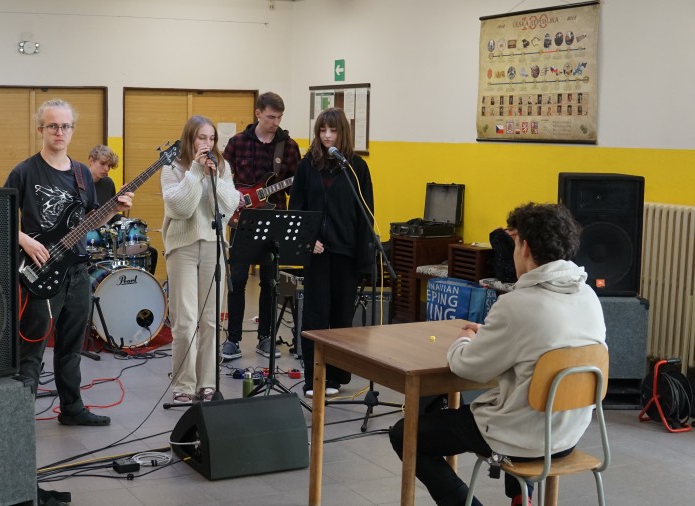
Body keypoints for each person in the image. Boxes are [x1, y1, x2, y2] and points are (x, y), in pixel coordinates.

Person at [389, 203, 607, 506]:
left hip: (522, 439)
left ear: (525, 247)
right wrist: (495, 334)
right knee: (515, 397)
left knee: (404, 434)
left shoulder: (517, 304)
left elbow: (467, 366)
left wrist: (465, 339)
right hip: (567, 435)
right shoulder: (588, 296)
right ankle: (520, 498)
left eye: (515, 244)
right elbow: (539, 342)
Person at [4, 99, 133, 426]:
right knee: (32, 350)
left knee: (71, 347)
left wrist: (114, 210)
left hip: (76, 271)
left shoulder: (81, 174)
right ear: (41, 130)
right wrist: (24, 240)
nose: (59, 132)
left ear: (72, 130)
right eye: (52, 126)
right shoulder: (23, 172)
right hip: (39, 271)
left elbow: (90, 221)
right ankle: (18, 420)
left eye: (65, 126)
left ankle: (72, 409)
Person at [289, 108, 375, 398]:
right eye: (322, 130)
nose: (327, 136)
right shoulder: (307, 165)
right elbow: (296, 208)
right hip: (316, 253)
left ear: (342, 133)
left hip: (345, 253)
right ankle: (313, 379)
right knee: (315, 317)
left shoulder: (357, 167)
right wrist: (307, 239)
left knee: (341, 318)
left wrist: (364, 261)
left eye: (333, 130)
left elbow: (365, 213)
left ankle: (336, 377)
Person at [161, 115, 239, 403]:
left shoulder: (222, 166)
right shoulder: (172, 168)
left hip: (213, 245)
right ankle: (183, 384)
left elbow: (229, 205)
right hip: (182, 247)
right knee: (185, 320)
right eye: (201, 138)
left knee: (210, 319)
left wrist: (214, 177)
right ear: (190, 139)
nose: (207, 143)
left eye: (212, 138)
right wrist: (195, 171)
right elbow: (181, 208)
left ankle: (207, 382)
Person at [221, 92, 301, 361]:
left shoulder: (288, 147)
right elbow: (221, 179)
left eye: (279, 118)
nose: (275, 123)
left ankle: (265, 338)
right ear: (258, 113)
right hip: (241, 219)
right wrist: (232, 199)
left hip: (274, 220)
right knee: (238, 279)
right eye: (270, 117)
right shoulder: (237, 143)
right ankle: (233, 339)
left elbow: (296, 186)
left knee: (270, 281)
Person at [86, 145, 158, 275]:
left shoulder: (108, 183)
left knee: (150, 252)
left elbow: (111, 214)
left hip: (106, 239)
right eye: (102, 164)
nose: (106, 169)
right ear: (91, 160)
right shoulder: (80, 183)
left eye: (109, 166)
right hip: (87, 241)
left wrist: (124, 220)